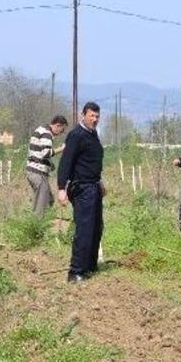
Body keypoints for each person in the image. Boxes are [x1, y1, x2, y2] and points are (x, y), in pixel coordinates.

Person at [57, 102, 104, 284]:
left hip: (94, 186)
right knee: (84, 229)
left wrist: (100, 181)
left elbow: (92, 163)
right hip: (81, 187)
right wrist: (62, 188)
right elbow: (66, 162)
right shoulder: (76, 135)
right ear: (83, 115)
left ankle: (90, 266)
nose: (95, 119)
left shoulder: (93, 135)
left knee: (96, 227)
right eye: (92, 115)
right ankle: (75, 271)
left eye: (97, 116)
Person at [26, 115, 68, 215]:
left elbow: (39, 153)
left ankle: (44, 224)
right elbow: (46, 153)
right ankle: (37, 228)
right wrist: (62, 149)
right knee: (41, 207)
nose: (61, 133)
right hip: (38, 173)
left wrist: (49, 164)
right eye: (62, 130)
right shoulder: (47, 134)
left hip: (33, 171)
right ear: (58, 125)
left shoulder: (41, 129)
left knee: (49, 200)